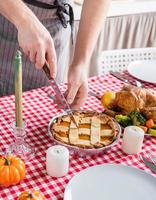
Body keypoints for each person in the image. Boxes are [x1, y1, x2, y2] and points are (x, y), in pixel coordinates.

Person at [0, 0, 110, 109]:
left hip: (56, 32)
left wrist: (80, 63)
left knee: (43, 109)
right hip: (7, 23)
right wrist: (25, 21)